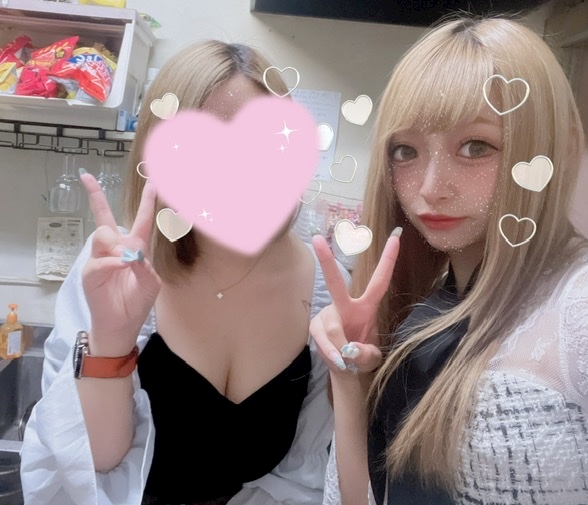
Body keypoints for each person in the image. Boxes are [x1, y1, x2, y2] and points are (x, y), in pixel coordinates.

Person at [310, 15, 588, 505]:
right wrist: (349, 375)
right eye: (406, 151)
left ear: (557, 149)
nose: (430, 187)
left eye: (475, 146)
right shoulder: (427, 309)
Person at [20, 40, 348, 505]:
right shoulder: (115, 274)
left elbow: (303, 479)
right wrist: (112, 340)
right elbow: (94, 466)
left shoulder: (323, 289)